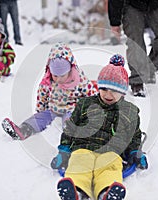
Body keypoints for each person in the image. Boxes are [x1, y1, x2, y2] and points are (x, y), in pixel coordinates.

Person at [51, 54, 148, 200]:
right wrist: (64, 149)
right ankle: (77, 191)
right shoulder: (85, 104)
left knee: (110, 167)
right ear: (99, 87)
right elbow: (71, 129)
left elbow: (134, 135)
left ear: (122, 92)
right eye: (104, 89)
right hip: (83, 147)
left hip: (112, 151)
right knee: (79, 162)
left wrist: (135, 152)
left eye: (114, 91)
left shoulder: (129, 112)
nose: (108, 94)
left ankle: (106, 192)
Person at [1, 42, 98, 140]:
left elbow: (90, 92)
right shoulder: (47, 81)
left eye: (62, 75)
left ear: (69, 70)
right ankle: (23, 130)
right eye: (55, 75)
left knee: (70, 120)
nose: (59, 79)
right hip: (53, 109)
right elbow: (42, 96)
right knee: (39, 118)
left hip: (71, 109)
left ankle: (73, 135)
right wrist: (40, 112)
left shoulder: (78, 78)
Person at [108, 0, 158, 97]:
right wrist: (115, 21)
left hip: (157, 4)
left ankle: (150, 68)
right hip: (132, 5)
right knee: (135, 40)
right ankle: (137, 79)